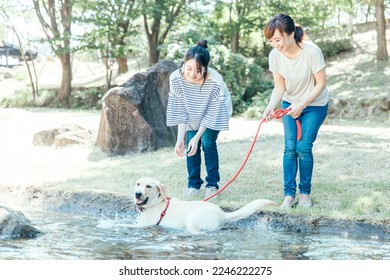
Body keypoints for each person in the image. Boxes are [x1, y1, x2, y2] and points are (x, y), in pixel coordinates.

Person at [262, 14, 329, 208]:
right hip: (290, 103)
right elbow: (279, 87)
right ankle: (289, 195)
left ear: (290, 34)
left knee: (303, 147)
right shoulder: (275, 55)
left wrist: (301, 105)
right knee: (290, 149)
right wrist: (270, 106)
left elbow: (321, 84)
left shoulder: (312, 51)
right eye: (271, 41)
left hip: (315, 104)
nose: (275, 45)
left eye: (277, 39)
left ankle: (305, 194)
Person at [166, 40, 232, 199]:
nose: (192, 74)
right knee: (190, 145)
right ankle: (193, 185)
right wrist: (180, 139)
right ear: (183, 63)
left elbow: (211, 113)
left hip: (215, 112)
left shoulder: (215, 80)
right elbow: (180, 110)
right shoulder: (175, 78)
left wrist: (197, 137)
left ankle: (212, 185)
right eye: (188, 68)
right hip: (192, 113)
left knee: (207, 143)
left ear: (206, 68)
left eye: (198, 70)